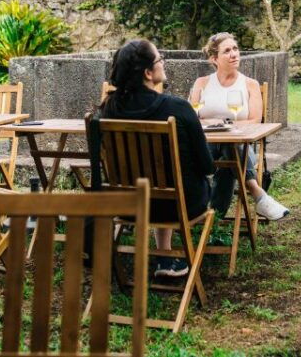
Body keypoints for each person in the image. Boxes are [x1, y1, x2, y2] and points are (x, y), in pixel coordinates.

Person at [100, 39, 213, 278]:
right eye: (160, 59)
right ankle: (166, 256)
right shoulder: (178, 108)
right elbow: (207, 165)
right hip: (177, 207)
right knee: (180, 184)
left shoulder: (108, 109)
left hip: (128, 207)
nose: (164, 63)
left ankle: (164, 255)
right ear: (148, 73)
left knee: (158, 184)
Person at [189, 32, 289, 221]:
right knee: (231, 157)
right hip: (206, 146)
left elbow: (255, 121)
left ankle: (213, 222)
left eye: (235, 49)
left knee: (230, 153)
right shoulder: (202, 83)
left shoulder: (250, 84)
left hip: (241, 144)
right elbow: (193, 118)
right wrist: (219, 125)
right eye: (227, 51)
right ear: (214, 59)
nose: (234, 54)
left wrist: (224, 126)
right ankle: (258, 194)